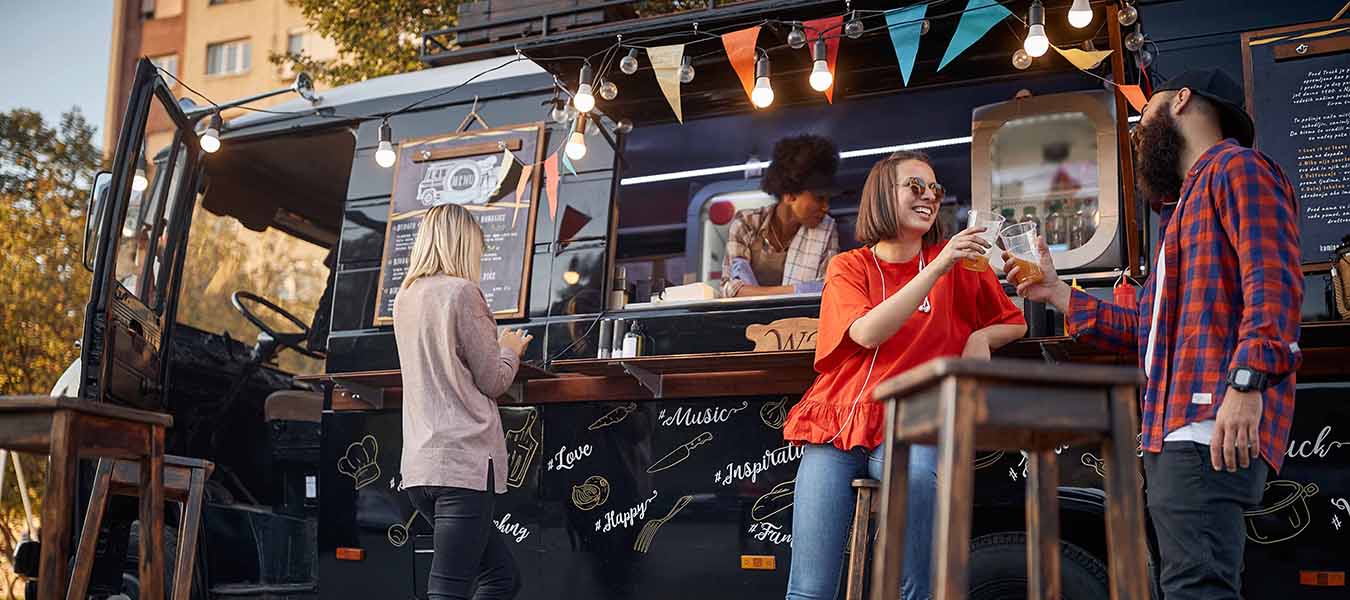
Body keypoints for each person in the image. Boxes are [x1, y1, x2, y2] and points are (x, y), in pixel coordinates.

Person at [1004, 68, 1301, 600]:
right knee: (1190, 583)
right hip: (1181, 429)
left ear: (1182, 101)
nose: (1140, 129)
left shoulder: (1237, 167)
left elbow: (1275, 281)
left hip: (1208, 422)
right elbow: (1146, 328)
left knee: (1196, 586)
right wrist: (1057, 293)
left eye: (1149, 109)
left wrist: (1247, 383)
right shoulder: (1183, 208)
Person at [783, 151, 1027, 600]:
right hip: (838, 423)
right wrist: (936, 267)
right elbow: (868, 332)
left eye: (933, 188)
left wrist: (983, 338)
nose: (928, 196)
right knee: (809, 589)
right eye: (915, 186)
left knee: (916, 559)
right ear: (881, 195)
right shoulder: (850, 266)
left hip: (910, 424)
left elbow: (1015, 320)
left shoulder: (960, 264)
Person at [394, 203, 533, 600]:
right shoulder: (463, 293)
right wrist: (510, 350)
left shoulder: (404, 298)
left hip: (421, 469)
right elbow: (493, 381)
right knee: (449, 592)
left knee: (502, 577)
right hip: (462, 465)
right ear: (462, 244)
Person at [722, 134, 841, 297]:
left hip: (802, 322)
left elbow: (827, 288)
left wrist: (755, 294)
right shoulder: (746, 223)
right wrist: (800, 291)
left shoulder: (827, 229)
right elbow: (733, 289)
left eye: (828, 199)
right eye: (819, 198)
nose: (826, 207)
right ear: (790, 195)